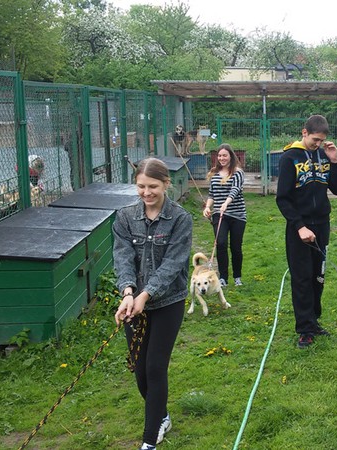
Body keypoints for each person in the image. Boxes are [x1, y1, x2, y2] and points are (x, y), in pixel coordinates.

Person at [113, 157, 193, 450]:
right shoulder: (124, 217)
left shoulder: (181, 219)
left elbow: (173, 263)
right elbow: (122, 258)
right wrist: (128, 293)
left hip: (168, 301)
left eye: (153, 187)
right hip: (134, 302)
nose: (146, 193)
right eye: (141, 186)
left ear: (166, 184)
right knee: (140, 369)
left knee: (156, 367)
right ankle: (162, 414)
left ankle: (149, 441)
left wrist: (146, 295)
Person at [276, 114, 337, 349]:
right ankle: (304, 328)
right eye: (315, 139)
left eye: (321, 140)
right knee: (302, 277)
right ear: (304, 132)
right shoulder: (289, 158)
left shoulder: (324, 154)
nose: (318, 144)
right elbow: (282, 199)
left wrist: (334, 162)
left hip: (322, 224)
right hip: (299, 227)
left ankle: (313, 320)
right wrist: (299, 226)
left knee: (318, 275)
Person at [203, 144, 247, 287]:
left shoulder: (237, 172)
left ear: (231, 156)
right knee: (220, 244)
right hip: (219, 215)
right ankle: (223, 278)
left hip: (237, 215)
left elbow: (235, 189)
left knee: (236, 247)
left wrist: (226, 203)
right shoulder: (214, 174)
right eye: (219, 156)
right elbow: (212, 194)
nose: (221, 158)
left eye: (224, 155)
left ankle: (237, 276)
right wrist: (208, 207)